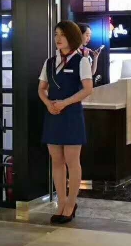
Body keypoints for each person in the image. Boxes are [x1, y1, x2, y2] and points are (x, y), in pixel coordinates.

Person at [38, 21, 94, 224]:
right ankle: (61, 202)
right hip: (53, 114)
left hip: (71, 115)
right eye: (56, 34)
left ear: (72, 37)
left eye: (62, 34)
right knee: (56, 160)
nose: (58, 38)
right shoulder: (49, 62)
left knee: (72, 160)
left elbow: (87, 89)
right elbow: (41, 89)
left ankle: (71, 203)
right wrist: (48, 104)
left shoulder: (81, 61)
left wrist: (65, 103)